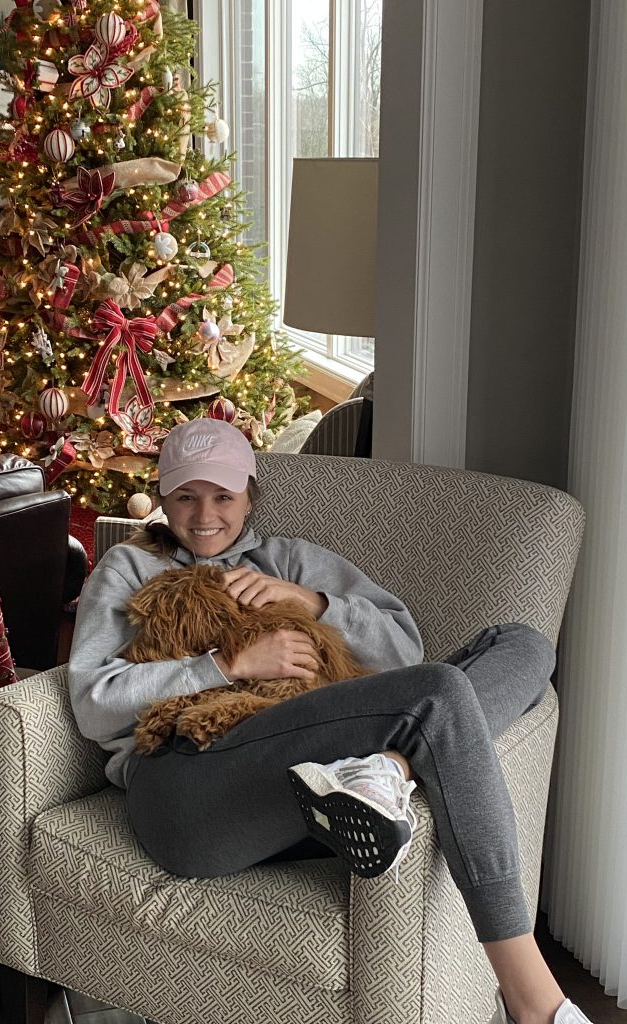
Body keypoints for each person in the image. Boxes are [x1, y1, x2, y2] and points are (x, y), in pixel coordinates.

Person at [69, 418, 591, 1024]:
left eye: (223, 496)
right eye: (186, 495)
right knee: (442, 694)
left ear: (251, 497)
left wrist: (314, 603)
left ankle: (382, 772)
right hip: (189, 791)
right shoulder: (129, 569)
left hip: (304, 786)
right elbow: (91, 701)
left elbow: (405, 652)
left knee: (524, 644)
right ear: (163, 499)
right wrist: (225, 665)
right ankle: (535, 1002)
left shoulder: (291, 560)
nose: (205, 514)